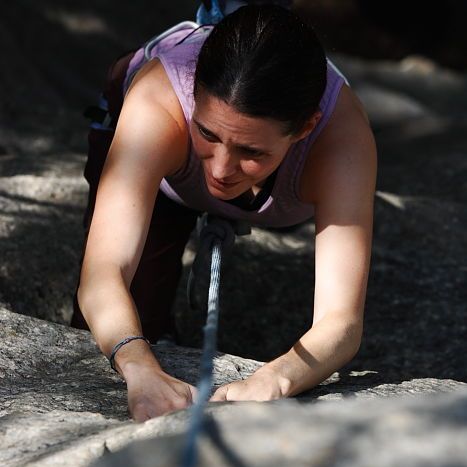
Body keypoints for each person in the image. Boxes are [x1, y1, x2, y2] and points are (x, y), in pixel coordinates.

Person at [71, 4, 377, 422]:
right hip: (162, 155)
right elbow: (103, 274)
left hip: (220, 147)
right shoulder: (157, 100)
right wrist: (139, 366)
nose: (220, 169)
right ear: (193, 97)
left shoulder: (342, 142)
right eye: (208, 133)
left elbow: (341, 321)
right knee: (129, 316)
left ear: (306, 128)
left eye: (251, 152)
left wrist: (277, 378)